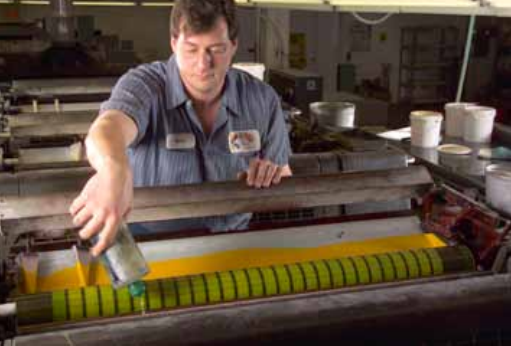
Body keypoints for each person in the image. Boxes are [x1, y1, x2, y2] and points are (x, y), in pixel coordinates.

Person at [69, 0, 292, 257]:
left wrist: (268, 177)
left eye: (216, 49)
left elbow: (284, 177)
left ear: (234, 46)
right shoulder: (145, 85)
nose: (202, 64)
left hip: (234, 242)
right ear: (174, 43)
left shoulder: (262, 99)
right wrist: (113, 169)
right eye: (191, 49)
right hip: (153, 245)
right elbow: (108, 127)